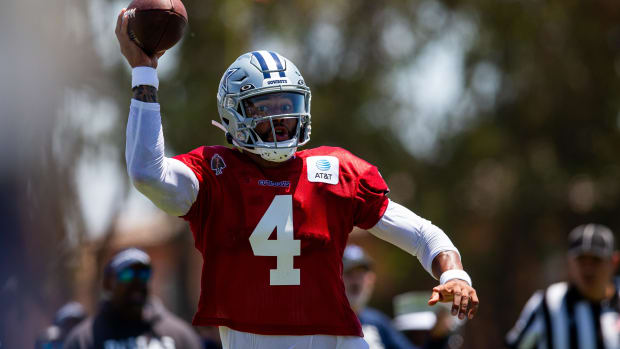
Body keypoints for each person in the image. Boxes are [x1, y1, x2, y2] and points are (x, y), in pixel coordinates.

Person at [115, 7, 479, 349]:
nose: (280, 118)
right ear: (232, 114)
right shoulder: (213, 172)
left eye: (287, 105)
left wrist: (454, 274)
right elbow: (147, 173)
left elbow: (421, 234)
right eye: (265, 107)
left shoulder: (337, 171)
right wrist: (145, 72)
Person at [506, 223, 620, 348]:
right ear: (569, 263)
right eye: (581, 260)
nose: (588, 269)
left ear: (613, 262)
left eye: (596, 260)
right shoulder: (547, 303)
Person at [64, 248, 202, 349]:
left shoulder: (180, 334)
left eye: (144, 274)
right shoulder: (83, 339)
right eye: (127, 274)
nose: (137, 282)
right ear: (107, 284)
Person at [342, 244, 418, 349]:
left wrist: (438, 337)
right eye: (349, 274)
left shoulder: (378, 322)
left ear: (371, 279)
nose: (355, 281)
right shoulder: (323, 324)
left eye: (361, 274)